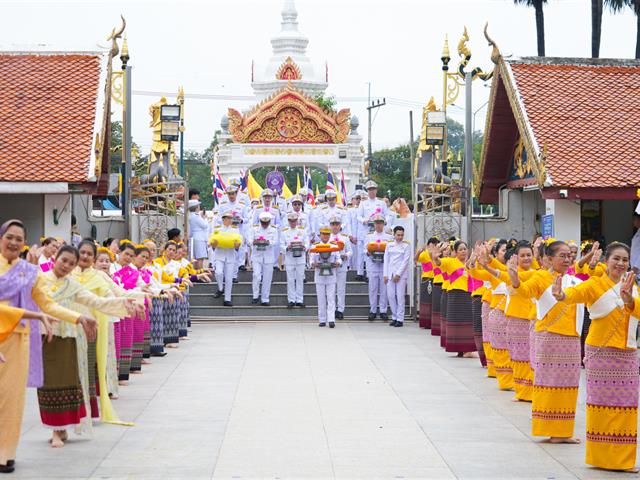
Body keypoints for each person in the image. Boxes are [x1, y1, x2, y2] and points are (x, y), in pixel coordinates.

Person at [0, 219, 97, 473]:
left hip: (17, 340)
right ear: (1, 238)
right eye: (9, 237)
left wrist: (78, 317)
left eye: (19, 239)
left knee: (12, 399)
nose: (13, 242)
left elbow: (47, 305)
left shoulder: (28, 272)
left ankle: (6, 453)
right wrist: (35, 316)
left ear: (24, 244)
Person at [553, 242, 640, 472]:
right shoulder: (595, 284)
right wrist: (561, 294)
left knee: (626, 407)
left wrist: (630, 300)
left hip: (627, 354)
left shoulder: (632, 286)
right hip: (601, 354)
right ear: (606, 262)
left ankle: (622, 460)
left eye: (624, 260)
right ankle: (601, 458)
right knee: (600, 406)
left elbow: (637, 309)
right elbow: (575, 294)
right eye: (616, 259)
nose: (620, 264)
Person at [38, 245, 134, 447]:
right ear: (55, 258)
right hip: (45, 337)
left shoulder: (72, 285)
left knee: (68, 382)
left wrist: (128, 302)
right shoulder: (40, 279)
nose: (66, 266)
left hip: (70, 337)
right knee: (49, 384)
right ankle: (56, 429)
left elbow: (97, 301)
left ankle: (61, 429)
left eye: (71, 263)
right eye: (64, 260)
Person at [510, 240, 583, 444]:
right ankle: (550, 429)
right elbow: (526, 291)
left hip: (571, 339)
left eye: (569, 255)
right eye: (562, 255)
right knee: (549, 384)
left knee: (568, 385)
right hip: (549, 338)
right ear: (549, 259)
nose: (567, 259)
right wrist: (515, 280)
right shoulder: (541, 276)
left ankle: (563, 431)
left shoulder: (572, 280)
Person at [432, 240, 476, 354]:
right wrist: (436, 257)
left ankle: (467, 350)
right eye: (460, 249)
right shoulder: (451, 262)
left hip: (469, 295)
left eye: (465, 249)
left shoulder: (471, 264)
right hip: (456, 296)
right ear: (455, 252)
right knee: (458, 323)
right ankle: (460, 349)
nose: (463, 251)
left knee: (468, 323)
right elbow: (439, 263)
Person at [310, 227, 341, 328]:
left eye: (327, 234)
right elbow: (311, 260)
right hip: (319, 274)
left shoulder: (334, 246)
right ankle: (322, 319)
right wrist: (313, 264)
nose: (325, 236)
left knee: (331, 297)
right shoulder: (315, 246)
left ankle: (331, 319)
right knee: (321, 298)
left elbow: (338, 259)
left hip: (331, 274)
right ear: (320, 235)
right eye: (323, 234)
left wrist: (338, 263)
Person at [364, 214, 393, 321]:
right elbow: (364, 249)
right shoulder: (369, 236)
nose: (378, 225)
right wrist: (368, 252)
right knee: (372, 289)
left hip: (384, 265)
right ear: (374, 224)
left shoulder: (389, 237)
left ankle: (383, 310)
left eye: (380, 223)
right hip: (373, 265)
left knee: (384, 289)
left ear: (383, 224)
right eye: (377, 223)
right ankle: (372, 310)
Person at [211, 210, 241, 307]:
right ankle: (220, 288)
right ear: (223, 219)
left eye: (230, 218)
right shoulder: (217, 229)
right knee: (218, 272)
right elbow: (212, 243)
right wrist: (214, 244)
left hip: (230, 255)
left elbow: (238, 244)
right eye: (227, 218)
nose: (229, 220)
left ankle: (227, 299)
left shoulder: (235, 229)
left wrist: (237, 245)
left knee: (229, 278)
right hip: (219, 254)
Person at [383, 226, 411, 327]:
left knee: (400, 297)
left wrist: (398, 274)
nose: (400, 237)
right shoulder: (389, 245)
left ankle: (400, 318)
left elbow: (405, 261)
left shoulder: (406, 246)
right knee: (390, 296)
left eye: (401, 235)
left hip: (401, 275)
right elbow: (386, 260)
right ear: (394, 235)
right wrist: (385, 274)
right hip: (390, 273)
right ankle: (394, 317)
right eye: (398, 235)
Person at [280, 212, 308, 308]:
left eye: (294, 221)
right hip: (290, 258)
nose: (293, 223)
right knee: (290, 280)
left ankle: (299, 299)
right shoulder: (284, 232)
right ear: (288, 221)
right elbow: (281, 246)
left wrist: (304, 246)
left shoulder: (302, 231)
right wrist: (287, 248)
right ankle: (291, 300)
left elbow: (308, 244)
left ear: (297, 221)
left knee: (300, 279)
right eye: (291, 221)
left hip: (300, 258)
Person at [250, 212, 278, 306]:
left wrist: (268, 242)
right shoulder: (255, 229)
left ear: (270, 221)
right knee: (256, 275)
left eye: (266, 223)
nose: (265, 225)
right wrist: (253, 242)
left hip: (268, 256)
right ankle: (255, 295)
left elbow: (275, 242)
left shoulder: (273, 230)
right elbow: (249, 240)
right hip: (257, 255)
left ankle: (265, 298)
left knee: (267, 278)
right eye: (263, 222)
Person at [329, 215, 351, 319]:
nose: (335, 227)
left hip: (342, 265)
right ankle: (332, 309)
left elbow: (350, 251)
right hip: (330, 265)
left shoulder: (345, 238)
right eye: (333, 224)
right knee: (331, 289)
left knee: (341, 289)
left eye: (337, 224)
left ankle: (340, 309)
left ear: (340, 226)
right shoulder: (327, 237)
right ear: (330, 226)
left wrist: (346, 255)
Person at [416, 237, 439, 329]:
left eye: (436, 244)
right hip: (427, 279)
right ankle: (426, 322)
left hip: (436, 279)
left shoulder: (438, 254)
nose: (434, 245)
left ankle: (433, 322)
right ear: (429, 244)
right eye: (433, 243)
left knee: (434, 302)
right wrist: (418, 252)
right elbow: (416, 259)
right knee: (427, 301)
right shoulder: (425, 254)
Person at [188, 199, 210, 270]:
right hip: (199, 237)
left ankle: (196, 273)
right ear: (196, 207)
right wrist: (205, 218)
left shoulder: (191, 216)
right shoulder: (196, 216)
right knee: (200, 257)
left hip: (194, 237)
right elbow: (204, 225)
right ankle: (200, 273)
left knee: (195, 257)